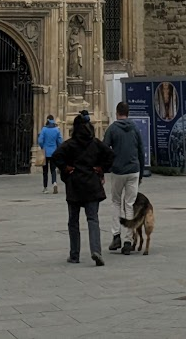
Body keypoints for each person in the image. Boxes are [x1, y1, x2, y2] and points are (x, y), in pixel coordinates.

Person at [54, 112, 113, 267]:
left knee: (73, 221)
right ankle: (96, 251)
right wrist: (101, 168)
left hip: (74, 186)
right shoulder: (95, 143)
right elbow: (110, 154)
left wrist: (66, 168)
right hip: (92, 185)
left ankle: (74, 255)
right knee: (93, 219)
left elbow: (56, 156)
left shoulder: (69, 144)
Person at [102, 101, 145, 254]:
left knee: (115, 202)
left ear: (116, 112)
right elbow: (141, 149)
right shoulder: (135, 128)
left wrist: (105, 168)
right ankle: (128, 240)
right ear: (128, 112)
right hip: (133, 169)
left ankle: (116, 235)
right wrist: (141, 171)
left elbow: (104, 149)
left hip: (118, 170)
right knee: (129, 204)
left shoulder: (112, 129)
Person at [38, 112, 63, 192]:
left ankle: (45, 188)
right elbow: (60, 141)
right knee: (53, 169)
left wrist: (42, 147)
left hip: (45, 152)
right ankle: (54, 183)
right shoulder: (56, 129)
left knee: (45, 171)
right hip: (54, 152)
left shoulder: (44, 129)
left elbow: (40, 140)